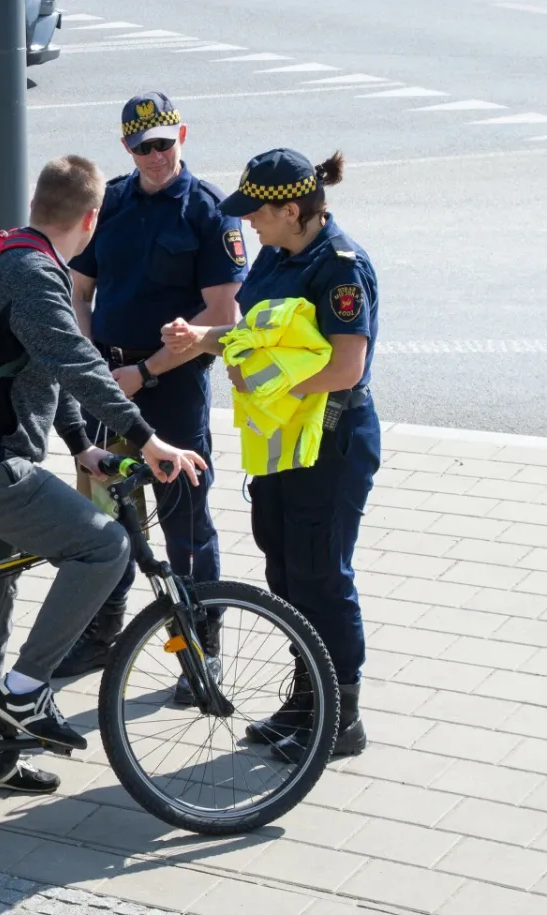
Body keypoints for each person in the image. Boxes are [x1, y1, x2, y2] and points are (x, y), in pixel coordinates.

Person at [0, 155, 206, 793]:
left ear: (36, 206)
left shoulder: (8, 255)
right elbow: (76, 361)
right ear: (91, 219)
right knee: (104, 548)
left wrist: (82, 446)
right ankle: (25, 693)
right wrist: (147, 438)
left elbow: (38, 366)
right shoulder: (34, 274)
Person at [162, 147, 378, 762]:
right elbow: (254, 335)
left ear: (290, 210)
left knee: (322, 575)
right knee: (285, 572)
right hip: (286, 440)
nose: (248, 222)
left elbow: (346, 366)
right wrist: (202, 338)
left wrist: (264, 383)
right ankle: (308, 698)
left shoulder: (339, 267)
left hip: (330, 441)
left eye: (256, 212)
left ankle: (341, 717)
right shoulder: (277, 253)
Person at [55, 93, 246, 702]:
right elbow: (79, 291)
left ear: (181, 135)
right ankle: (101, 634)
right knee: (103, 517)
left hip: (172, 385)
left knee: (184, 521)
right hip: (108, 381)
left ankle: (200, 650)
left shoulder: (209, 210)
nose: (155, 156)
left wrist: (145, 370)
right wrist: (91, 363)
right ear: (126, 148)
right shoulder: (109, 202)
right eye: (143, 148)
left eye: (163, 143)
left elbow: (223, 317)